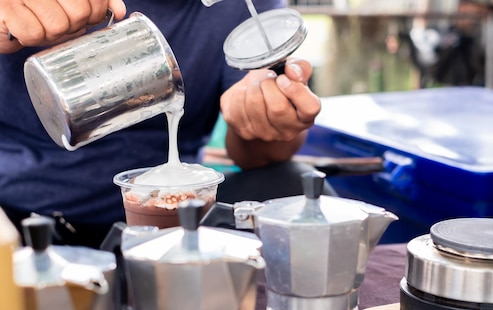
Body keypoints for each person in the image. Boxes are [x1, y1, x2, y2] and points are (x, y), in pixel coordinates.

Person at [0, 0, 333, 248]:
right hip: (20, 215)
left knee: (293, 184)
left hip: (177, 219)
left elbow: (257, 154)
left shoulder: (245, 8)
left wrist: (268, 112)